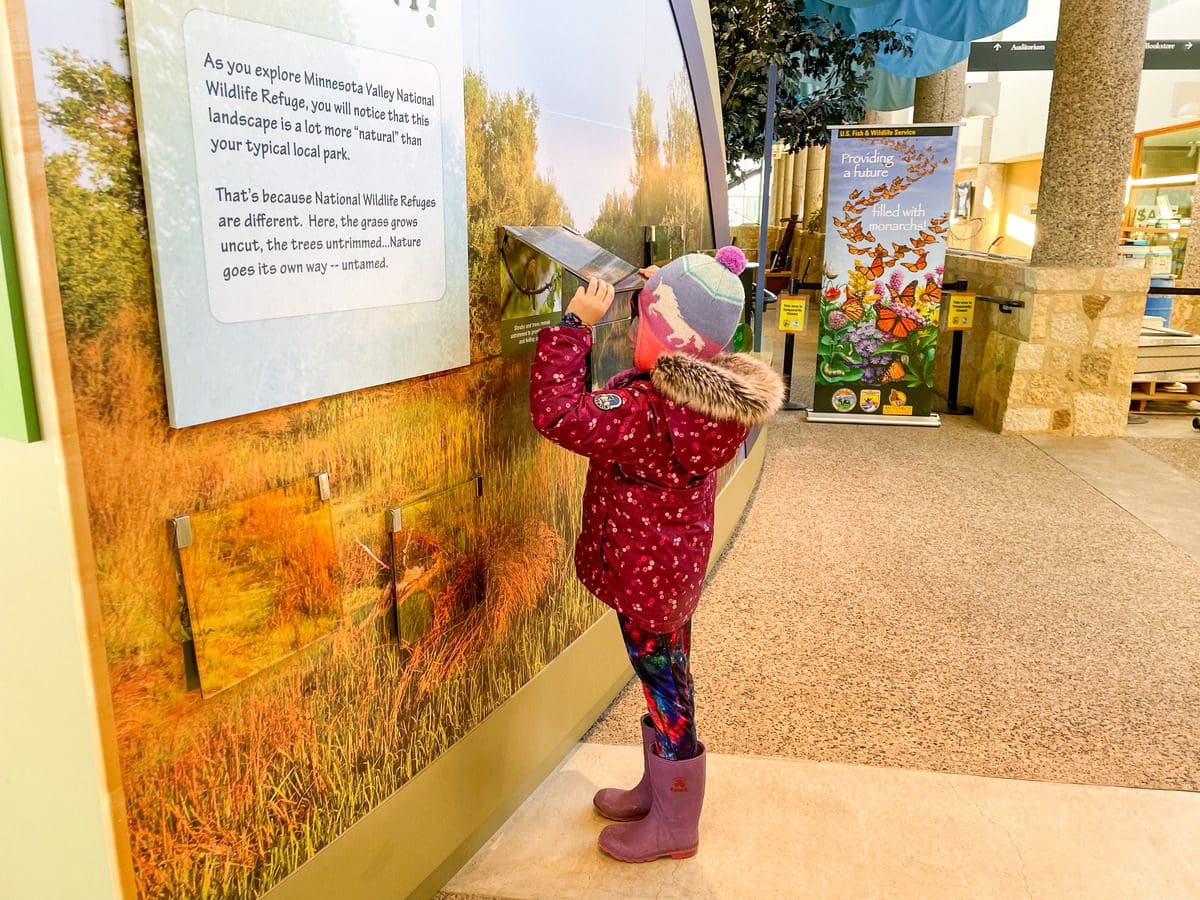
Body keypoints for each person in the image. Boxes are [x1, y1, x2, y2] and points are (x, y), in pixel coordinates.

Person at [529, 246, 784, 863]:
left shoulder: (647, 414)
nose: (632, 326)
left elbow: (558, 413)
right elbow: (679, 332)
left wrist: (573, 329)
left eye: (641, 319)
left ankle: (676, 823)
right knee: (666, 683)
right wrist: (661, 289)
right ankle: (659, 790)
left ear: (669, 340)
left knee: (665, 690)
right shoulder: (702, 405)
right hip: (669, 573)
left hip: (646, 579)